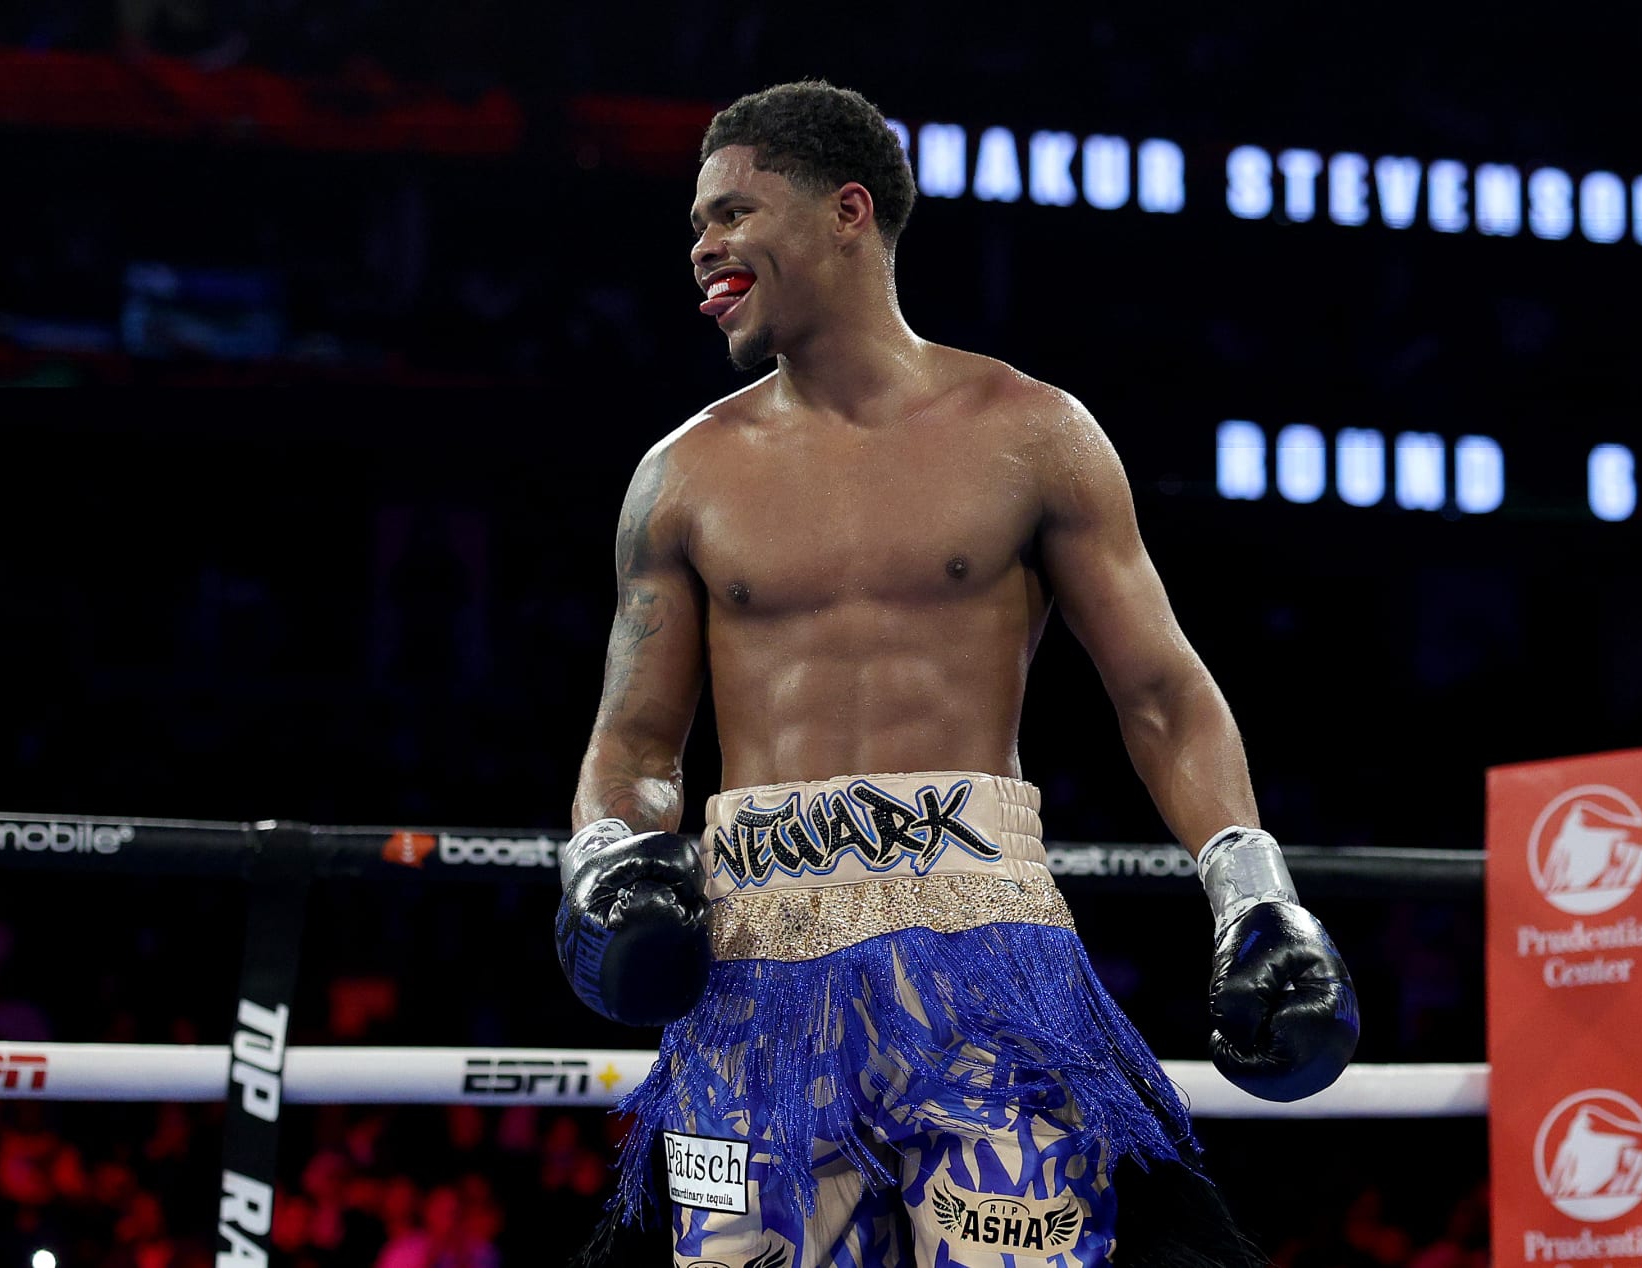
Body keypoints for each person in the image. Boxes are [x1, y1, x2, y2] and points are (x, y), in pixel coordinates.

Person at [556, 80, 1359, 1268]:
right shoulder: (681, 478)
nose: (703, 246)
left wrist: (1256, 893)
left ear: (847, 211)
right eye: (695, 225)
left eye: (731, 212)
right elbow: (633, 749)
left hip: (989, 957)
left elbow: (1163, 693)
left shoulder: (1032, 433)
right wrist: (611, 858)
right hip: (749, 977)